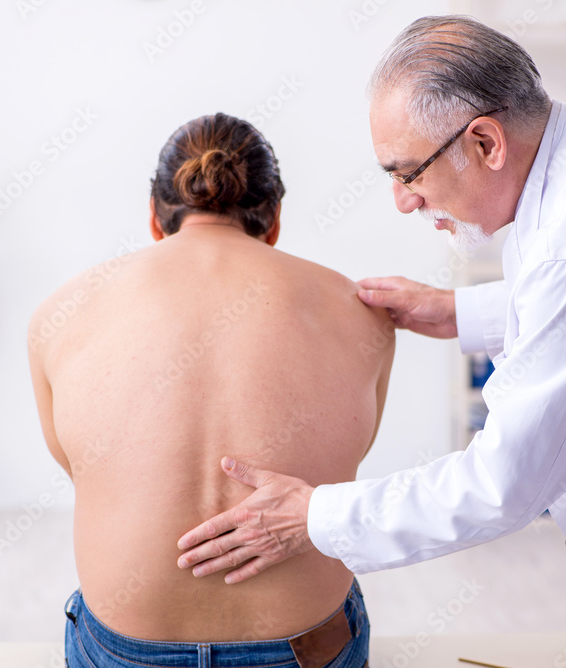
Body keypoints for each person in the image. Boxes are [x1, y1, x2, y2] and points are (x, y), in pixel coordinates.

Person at [175, 16, 566, 668]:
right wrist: (459, 310)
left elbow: (503, 484)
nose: (403, 201)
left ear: (485, 143)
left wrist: (312, 517)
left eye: (409, 173)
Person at [27, 112, 394, 668]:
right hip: (307, 648)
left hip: (124, 651)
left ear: (155, 218)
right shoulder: (363, 312)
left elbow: (84, 470)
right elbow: (351, 456)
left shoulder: (59, 313)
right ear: (274, 220)